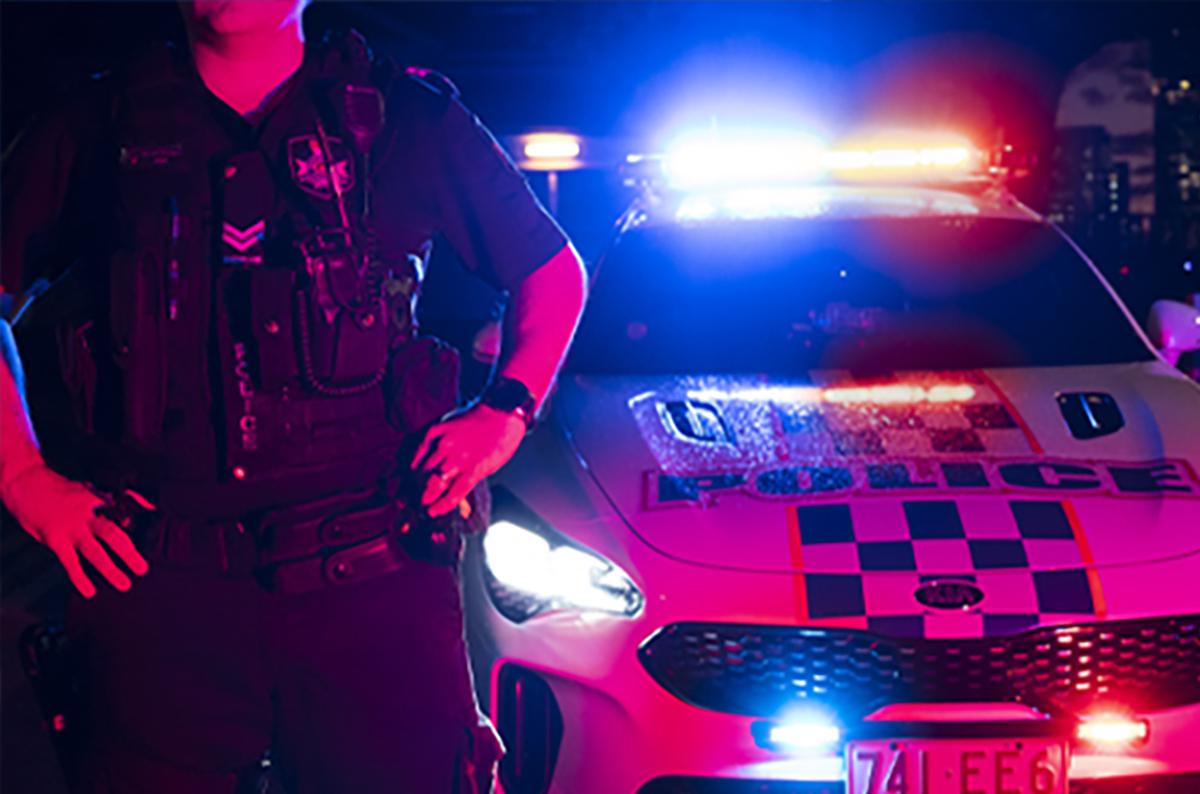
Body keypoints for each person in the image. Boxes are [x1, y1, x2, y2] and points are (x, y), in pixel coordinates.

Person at [0, 0, 587, 791]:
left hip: (372, 588)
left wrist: (505, 413)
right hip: (158, 590)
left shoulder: (405, 119)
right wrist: (23, 479)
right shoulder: (97, 128)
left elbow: (551, 271)